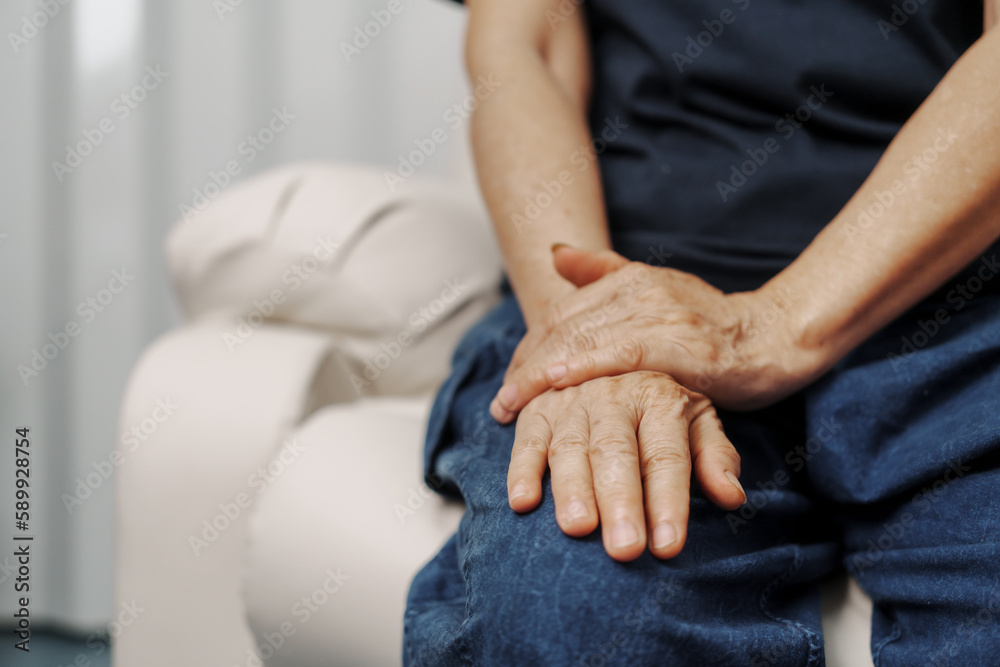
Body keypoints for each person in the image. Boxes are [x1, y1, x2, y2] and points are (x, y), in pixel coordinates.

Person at [404, 0, 1000, 664]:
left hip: (956, 307)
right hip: (629, 279)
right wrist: (593, 329)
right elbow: (522, 46)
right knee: (575, 621)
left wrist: (771, 326)